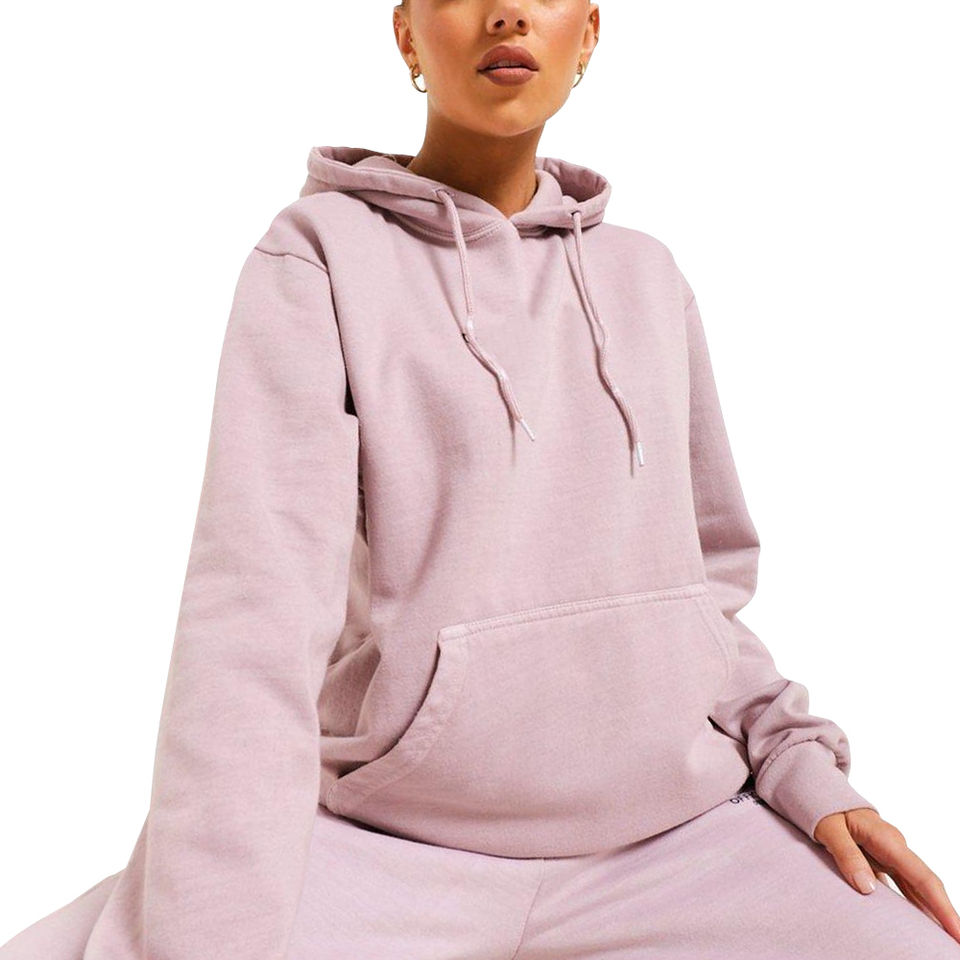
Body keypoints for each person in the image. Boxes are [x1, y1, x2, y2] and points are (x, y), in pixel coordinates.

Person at [3, 2, 959, 958]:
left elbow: (703, 596)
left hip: (677, 840)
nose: (505, 12)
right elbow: (254, 622)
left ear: (589, 34)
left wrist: (799, 765)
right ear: (407, 34)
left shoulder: (646, 276)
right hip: (390, 849)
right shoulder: (318, 257)